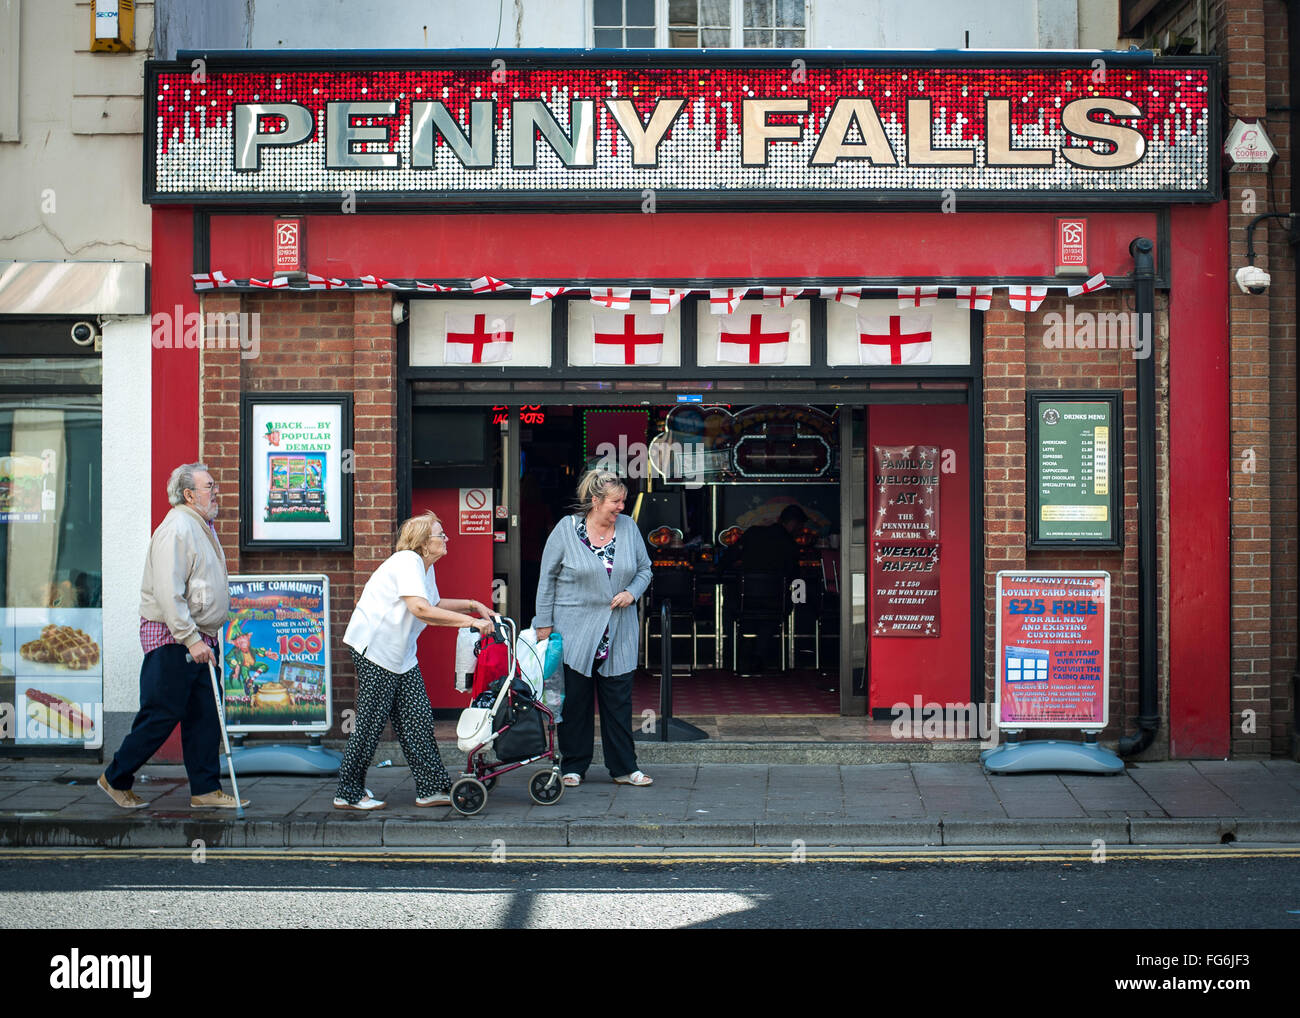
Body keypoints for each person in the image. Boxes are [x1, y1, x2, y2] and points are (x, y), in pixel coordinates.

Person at [100, 462, 247, 810]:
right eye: (209, 486)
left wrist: (202, 638)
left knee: (205, 716)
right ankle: (116, 777)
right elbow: (169, 592)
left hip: (199, 638)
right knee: (162, 713)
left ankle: (205, 790)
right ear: (189, 494)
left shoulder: (199, 525)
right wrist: (191, 639)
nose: (216, 492)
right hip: (175, 640)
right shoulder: (178, 527)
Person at [334, 511, 493, 810]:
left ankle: (431, 788)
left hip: (401, 655)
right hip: (377, 651)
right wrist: (470, 623)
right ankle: (348, 792)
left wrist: (474, 605)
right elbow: (421, 610)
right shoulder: (407, 561)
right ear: (422, 542)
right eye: (439, 535)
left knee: (417, 719)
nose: (446, 539)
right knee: (369, 723)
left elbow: (432, 603)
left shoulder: (423, 566)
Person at [534, 469, 654, 788]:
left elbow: (645, 569)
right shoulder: (566, 530)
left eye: (623, 501)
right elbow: (547, 580)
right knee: (576, 704)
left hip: (618, 633)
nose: (621, 508)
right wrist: (542, 623)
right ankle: (574, 765)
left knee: (618, 704)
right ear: (594, 501)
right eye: (616, 502)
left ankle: (624, 768)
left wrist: (632, 593)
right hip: (575, 632)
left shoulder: (628, 528)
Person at [721, 503, 807, 673]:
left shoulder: (753, 533)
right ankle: (759, 655)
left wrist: (718, 570)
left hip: (744, 600)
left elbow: (728, 557)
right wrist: (800, 599)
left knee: (727, 606)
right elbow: (795, 576)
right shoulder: (790, 543)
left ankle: (732, 653)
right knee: (777, 610)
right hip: (774, 601)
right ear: (793, 524)